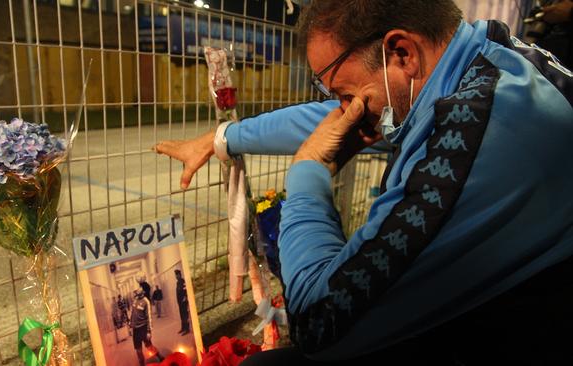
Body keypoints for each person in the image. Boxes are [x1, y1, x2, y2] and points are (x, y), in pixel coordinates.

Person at [155, 0, 573, 364]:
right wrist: (222, 139)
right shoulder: (482, 52)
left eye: (342, 92)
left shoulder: (467, 140)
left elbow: (319, 323)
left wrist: (308, 172)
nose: (343, 109)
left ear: (401, 52)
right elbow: (335, 120)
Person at [129, 289, 161, 366]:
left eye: (138, 294)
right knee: (138, 350)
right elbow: (133, 313)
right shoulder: (135, 300)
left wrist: (149, 331)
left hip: (143, 328)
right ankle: (142, 364)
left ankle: (159, 356)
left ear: (142, 293)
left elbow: (149, 317)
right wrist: (130, 325)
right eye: (136, 294)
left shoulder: (146, 301)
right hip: (135, 330)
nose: (136, 295)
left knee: (149, 346)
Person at [174, 270, 190, 335]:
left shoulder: (183, 281)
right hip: (180, 302)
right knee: (182, 315)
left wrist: (185, 297)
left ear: (179, 275)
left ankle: (187, 329)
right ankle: (183, 328)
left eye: (177, 275)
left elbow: (186, 289)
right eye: (175, 275)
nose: (176, 276)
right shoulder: (178, 282)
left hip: (183, 301)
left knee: (185, 315)